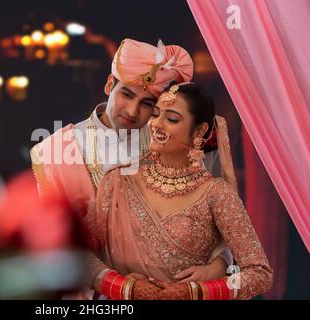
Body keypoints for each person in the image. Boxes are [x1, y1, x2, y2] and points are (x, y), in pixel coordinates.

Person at [30, 39, 233, 298]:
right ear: (108, 85)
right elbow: (55, 245)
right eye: (126, 94)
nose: (133, 111)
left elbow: (217, 217)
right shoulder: (55, 151)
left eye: (148, 103)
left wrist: (219, 263)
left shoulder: (175, 142)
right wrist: (119, 285)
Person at [86, 82, 273, 299]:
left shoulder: (216, 194)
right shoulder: (118, 181)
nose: (157, 124)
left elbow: (260, 274)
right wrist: (126, 287)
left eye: (172, 118)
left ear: (200, 130)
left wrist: (196, 291)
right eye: (155, 114)